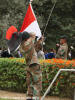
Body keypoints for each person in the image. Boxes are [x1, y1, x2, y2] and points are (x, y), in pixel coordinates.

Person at [7, 32, 42, 100]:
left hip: (28, 66)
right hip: (34, 65)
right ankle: (36, 98)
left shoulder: (21, 46)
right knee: (37, 84)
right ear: (27, 38)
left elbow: (34, 48)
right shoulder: (29, 42)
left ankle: (29, 98)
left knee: (30, 84)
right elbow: (33, 34)